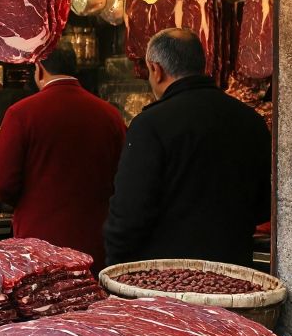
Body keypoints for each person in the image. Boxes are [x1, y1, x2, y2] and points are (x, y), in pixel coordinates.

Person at [104, 29, 272, 266]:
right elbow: (264, 208)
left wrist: (114, 265)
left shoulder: (150, 124)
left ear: (156, 69)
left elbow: (129, 214)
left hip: (167, 279)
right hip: (234, 273)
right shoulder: (251, 120)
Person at [0, 43, 126, 268]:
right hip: (96, 241)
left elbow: (2, 182)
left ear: (39, 69)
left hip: (39, 244)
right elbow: (123, 177)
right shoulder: (110, 115)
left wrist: (27, 202)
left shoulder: (21, 113)